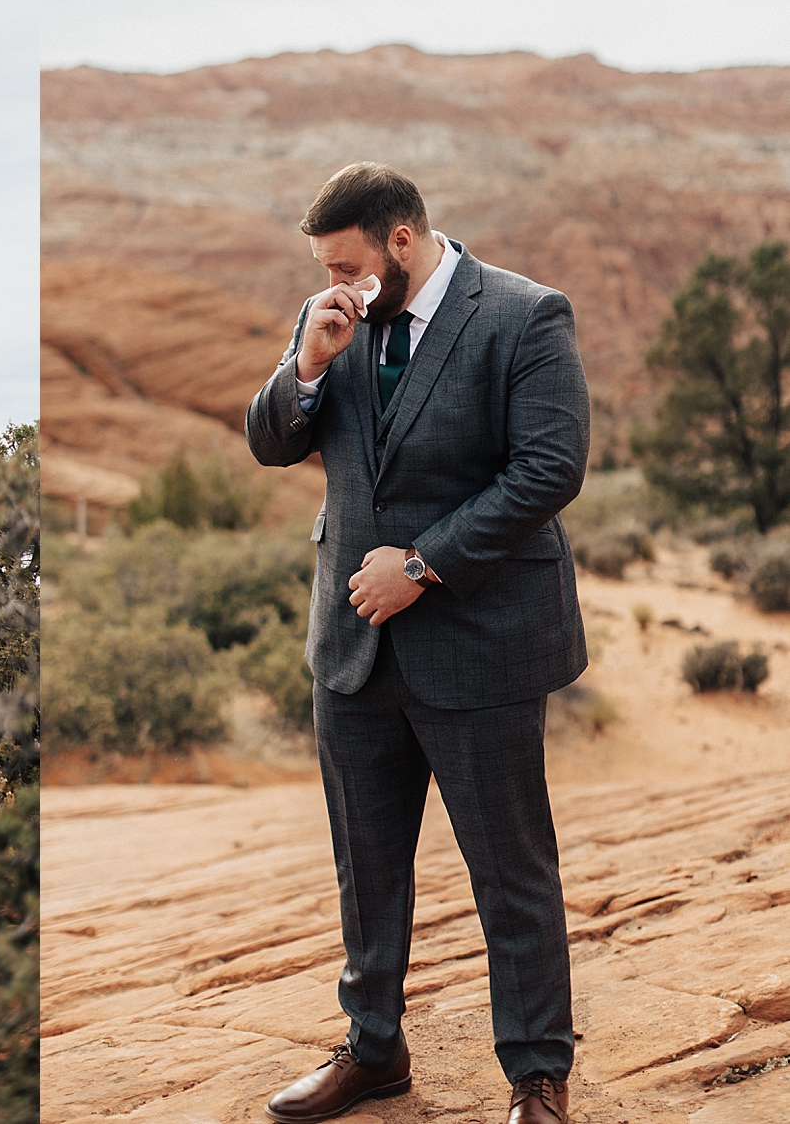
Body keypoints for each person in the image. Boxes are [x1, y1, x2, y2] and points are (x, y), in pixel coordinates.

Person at [245, 163, 588, 1124]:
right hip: (352, 646)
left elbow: (551, 468)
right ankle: (373, 1048)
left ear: (402, 241)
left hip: (481, 642)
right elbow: (270, 442)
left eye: (348, 263)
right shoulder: (334, 316)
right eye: (323, 268)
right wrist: (306, 364)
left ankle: (536, 1076)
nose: (335, 283)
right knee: (367, 863)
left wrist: (425, 563)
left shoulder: (525, 316)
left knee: (511, 868)